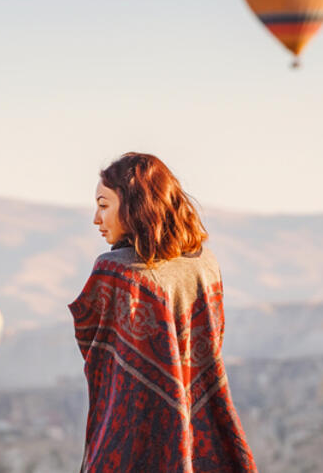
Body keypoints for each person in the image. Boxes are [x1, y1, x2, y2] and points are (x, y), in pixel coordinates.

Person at [68, 152, 257, 472]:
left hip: (128, 433)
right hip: (202, 424)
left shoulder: (113, 270)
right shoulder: (205, 264)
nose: (96, 220)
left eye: (103, 205)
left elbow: (98, 351)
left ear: (134, 205)